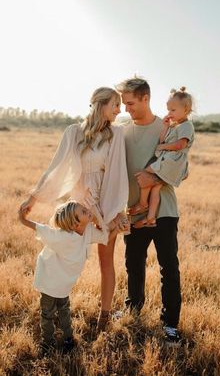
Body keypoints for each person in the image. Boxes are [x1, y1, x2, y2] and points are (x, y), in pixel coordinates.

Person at [19, 87, 129, 332]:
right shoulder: (73, 132)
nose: (119, 110)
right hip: (78, 208)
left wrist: (116, 211)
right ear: (101, 104)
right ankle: (54, 303)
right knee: (64, 256)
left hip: (103, 204)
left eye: (120, 105)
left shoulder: (117, 134)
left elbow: (117, 174)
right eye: (115, 104)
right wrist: (33, 198)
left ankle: (104, 316)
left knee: (105, 261)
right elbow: (56, 167)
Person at [116, 77, 182, 345]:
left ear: (146, 98)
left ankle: (170, 324)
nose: (126, 109)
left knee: (169, 267)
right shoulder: (122, 132)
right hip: (134, 212)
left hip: (164, 210)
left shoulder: (168, 128)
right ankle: (133, 309)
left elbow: (183, 169)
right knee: (133, 264)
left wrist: (155, 179)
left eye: (130, 103)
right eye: (123, 104)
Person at [18, 200, 120, 355]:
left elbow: (105, 239)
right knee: (47, 314)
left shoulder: (88, 231)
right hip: (50, 282)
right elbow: (41, 229)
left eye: (84, 209)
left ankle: (68, 339)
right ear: (75, 224)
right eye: (83, 211)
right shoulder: (62, 236)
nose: (87, 210)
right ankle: (47, 342)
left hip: (64, 284)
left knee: (64, 310)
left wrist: (117, 230)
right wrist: (23, 219)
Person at [128, 86, 194, 228]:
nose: (169, 113)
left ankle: (142, 203)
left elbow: (180, 145)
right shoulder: (174, 126)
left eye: (173, 110)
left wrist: (162, 147)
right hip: (168, 159)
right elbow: (163, 139)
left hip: (172, 161)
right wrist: (165, 128)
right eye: (168, 109)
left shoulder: (186, 126)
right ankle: (150, 217)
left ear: (186, 110)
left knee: (146, 172)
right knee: (156, 187)